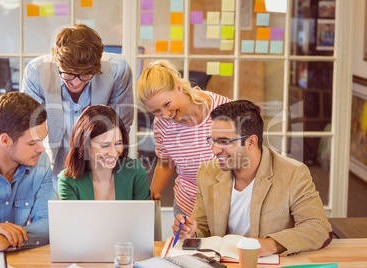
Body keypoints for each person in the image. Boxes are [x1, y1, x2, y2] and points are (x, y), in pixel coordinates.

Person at [172, 100, 333, 257]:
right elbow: (202, 227)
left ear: (251, 141)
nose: (214, 150)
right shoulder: (207, 173)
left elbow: (318, 226)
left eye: (223, 142)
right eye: (212, 141)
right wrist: (191, 232)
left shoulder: (293, 174)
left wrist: (270, 245)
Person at [22, 24, 134, 192]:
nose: (75, 83)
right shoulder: (36, 72)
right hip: (51, 170)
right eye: (67, 74)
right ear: (56, 60)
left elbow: (120, 129)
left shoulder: (118, 70)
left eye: (85, 75)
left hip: (101, 169)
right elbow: (28, 130)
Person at [0, 92, 57, 254]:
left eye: (42, 140)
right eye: (32, 143)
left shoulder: (40, 164)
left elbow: (48, 222)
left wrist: (7, 238)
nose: (42, 149)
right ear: (5, 141)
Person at [137, 60, 231, 216]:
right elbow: (165, 164)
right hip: (187, 206)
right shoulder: (161, 124)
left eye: (167, 104)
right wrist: (151, 195)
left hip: (226, 203)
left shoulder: (223, 108)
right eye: (156, 111)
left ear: (178, 87)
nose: (165, 115)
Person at [58, 105, 151, 200]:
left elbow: (143, 214)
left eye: (118, 143)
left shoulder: (135, 173)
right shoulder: (68, 181)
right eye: (105, 145)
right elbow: (74, 215)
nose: (114, 153)